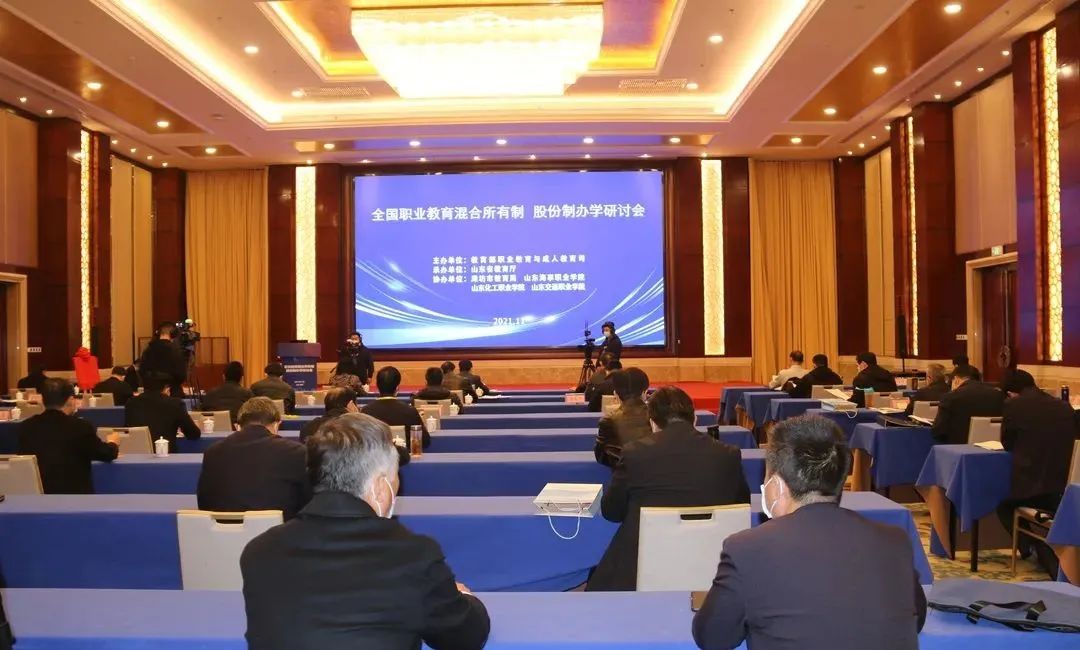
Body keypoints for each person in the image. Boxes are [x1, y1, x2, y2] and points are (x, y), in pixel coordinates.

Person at [241, 413, 491, 650]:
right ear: (380, 487)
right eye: (395, 478)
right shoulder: (413, 555)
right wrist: (462, 597)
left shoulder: (260, 552)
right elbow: (466, 636)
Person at [692, 415, 926, 650]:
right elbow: (915, 619)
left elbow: (713, 638)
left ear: (776, 485)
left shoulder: (746, 549)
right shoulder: (894, 541)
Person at [587, 386, 750, 591]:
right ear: (695, 419)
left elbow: (611, 511)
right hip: (714, 562)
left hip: (642, 566)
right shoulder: (728, 454)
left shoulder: (635, 454)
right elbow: (742, 505)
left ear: (652, 423)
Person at [995, 370, 1079, 578]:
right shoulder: (1063, 406)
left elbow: (1007, 443)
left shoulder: (1014, 406)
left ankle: (1036, 550)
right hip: (1064, 486)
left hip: (1032, 487)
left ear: (1011, 393)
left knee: (1003, 505)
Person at [197, 397, 311, 520]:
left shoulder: (212, 452)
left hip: (220, 529)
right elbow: (308, 502)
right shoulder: (296, 452)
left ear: (238, 426)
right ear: (277, 425)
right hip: (276, 529)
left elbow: (204, 502)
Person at [16, 378, 119, 493]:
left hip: (37, 498)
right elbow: (105, 453)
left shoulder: (27, 427)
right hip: (76, 497)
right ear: (70, 400)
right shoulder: (80, 427)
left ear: (43, 400)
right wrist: (113, 443)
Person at [124, 373, 201, 452]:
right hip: (166, 454)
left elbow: (127, 430)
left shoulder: (131, 403)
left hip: (136, 454)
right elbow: (193, 434)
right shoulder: (175, 404)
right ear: (166, 388)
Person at [362, 366, 431, 453]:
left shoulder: (366, 412)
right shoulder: (410, 411)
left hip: (375, 459)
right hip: (404, 458)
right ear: (397, 388)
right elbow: (424, 441)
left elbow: (362, 443)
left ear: (377, 386)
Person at [930, 364, 1003, 445]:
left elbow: (938, 430)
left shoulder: (950, 397)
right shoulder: (998, 395)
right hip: (993, 446)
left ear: (956, 379)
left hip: (958, 447)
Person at [594, 367, 651, 467]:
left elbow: (601, 457)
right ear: (644, 392)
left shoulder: (608, 420)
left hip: (623, 473)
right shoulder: (658, 416)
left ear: (615, 394)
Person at [139, 321, 188, 397]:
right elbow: (181, 375)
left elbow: (142, 371)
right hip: (171, 393)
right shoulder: (175, 350)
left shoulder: (148, 349)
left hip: (151, 393)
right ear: (173, 334)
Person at [201, 361, 254, 425]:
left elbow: (203, 413)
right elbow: (254, 414)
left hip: (215, 427)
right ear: (241, 378)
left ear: (223, 376)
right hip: (239, 428)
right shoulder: (247, 394)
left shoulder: (210, 393)